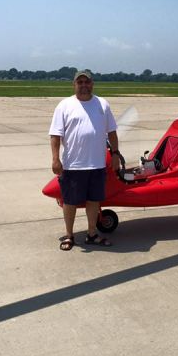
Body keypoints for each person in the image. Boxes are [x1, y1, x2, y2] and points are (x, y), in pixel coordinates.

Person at [49, 70, 120, 251]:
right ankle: (69, 235)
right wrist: (56, 159)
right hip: (73, 165)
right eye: (79, 82)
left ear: (92, 84)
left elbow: (111, 131)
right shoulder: (64, 105)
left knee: (93, 201)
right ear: (74, 85)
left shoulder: (102, 104)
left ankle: (91, 233)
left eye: (86, 82)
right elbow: (55, 135)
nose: (83, 85)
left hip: (97, 164)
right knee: (70, 202)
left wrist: (115, 154)